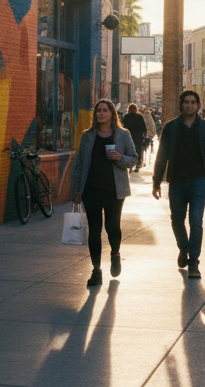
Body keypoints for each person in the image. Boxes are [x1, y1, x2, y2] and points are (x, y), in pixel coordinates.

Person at [152, 90, 205, 279]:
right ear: (181, 105)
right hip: (176, 181)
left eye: (193, 102)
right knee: (177, 220)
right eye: (186, 102)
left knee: (196, 222)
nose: (189, 105)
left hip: (198, 182)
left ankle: (194, 263)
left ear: (198, 105)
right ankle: (183, 248)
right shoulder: (170, 128)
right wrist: (157, 181)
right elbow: (162, 156)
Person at [70, 99, 139, 287]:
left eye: (105, 110)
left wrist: (120, 157)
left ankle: (115, 252)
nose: (101, 114)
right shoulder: (88, 136)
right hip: (90, 189)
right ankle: (96, 269)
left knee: (113, 227)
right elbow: (79, 164)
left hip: (114, 190)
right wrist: (76, 190)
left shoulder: (123, 135)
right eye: (98, 111)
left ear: (112, 113)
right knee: (94, 229)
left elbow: (133, 159)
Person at [122, 103, 148, 173]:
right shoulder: (139, 117)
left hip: (129, 137)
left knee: (128, 151)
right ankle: (138, 165)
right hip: (138, 137)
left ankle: (130, 166)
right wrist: (144, 136)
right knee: (138, 151)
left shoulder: (126, 117)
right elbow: (144, 128)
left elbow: (122, 127)